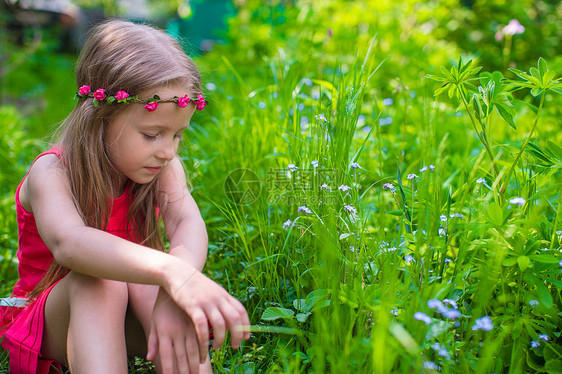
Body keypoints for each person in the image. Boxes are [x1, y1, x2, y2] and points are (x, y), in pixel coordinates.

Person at [0, 19, 250, 374]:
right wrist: (169, 269)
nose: (167, 151)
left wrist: (176, 283)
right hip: (51, 319)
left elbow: (185, 221)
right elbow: (70, 244)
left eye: (177, 135)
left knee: (159, 287)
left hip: (128, 307)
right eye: (152, 135)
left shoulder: (162, 166)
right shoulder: (52, 173)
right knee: (99, 281)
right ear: (99, 116)